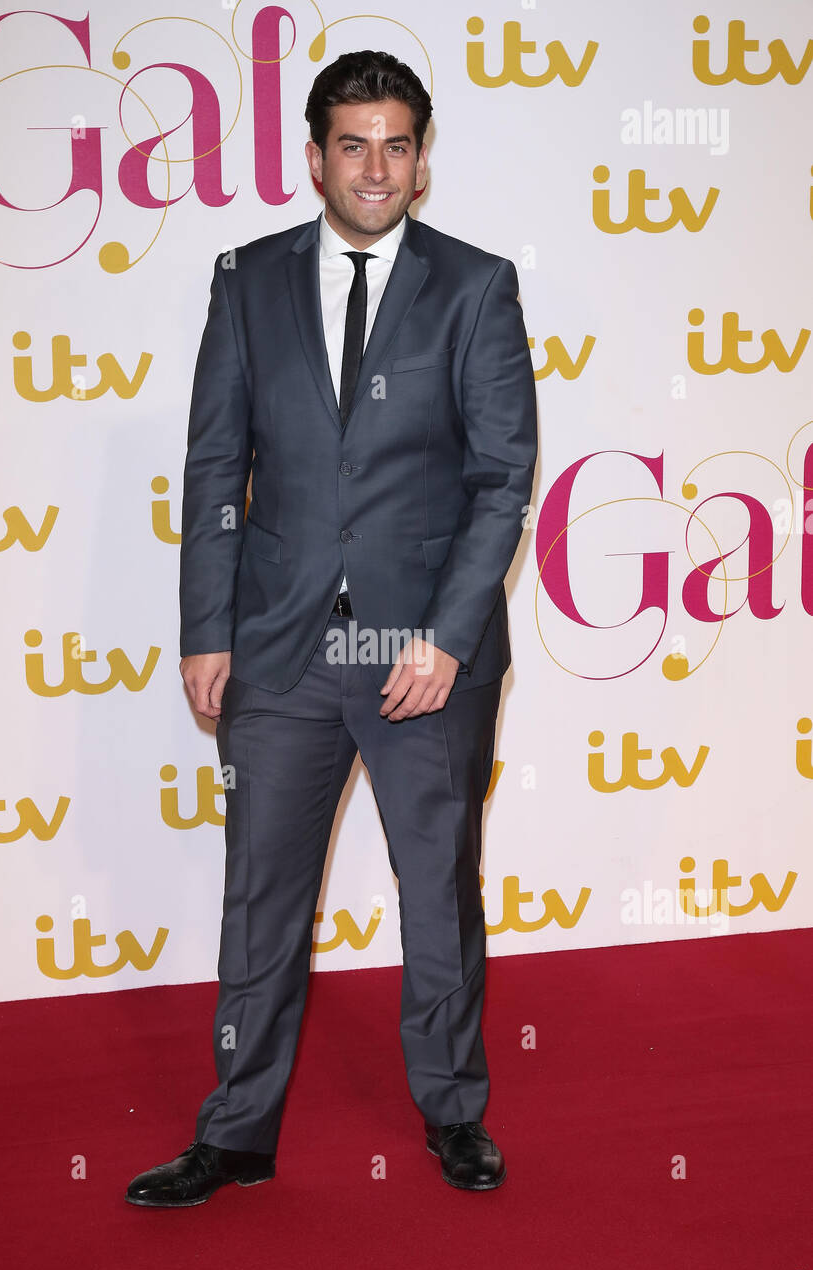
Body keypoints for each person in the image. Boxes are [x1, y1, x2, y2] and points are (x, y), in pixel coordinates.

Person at [126, 48, 537, 1207]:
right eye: (351, 143)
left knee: (437, 891)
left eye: (395, 144)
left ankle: (453, 1111)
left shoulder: (475, 285)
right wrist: (206, 627)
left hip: (422, 655)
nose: (373, 166)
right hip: (282, 649)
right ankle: (235, 1133)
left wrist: (449, 637)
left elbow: (501, 480)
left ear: (420, 162)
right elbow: (218, 460)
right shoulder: (246, 278)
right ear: (314, 156)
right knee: (259, 895)